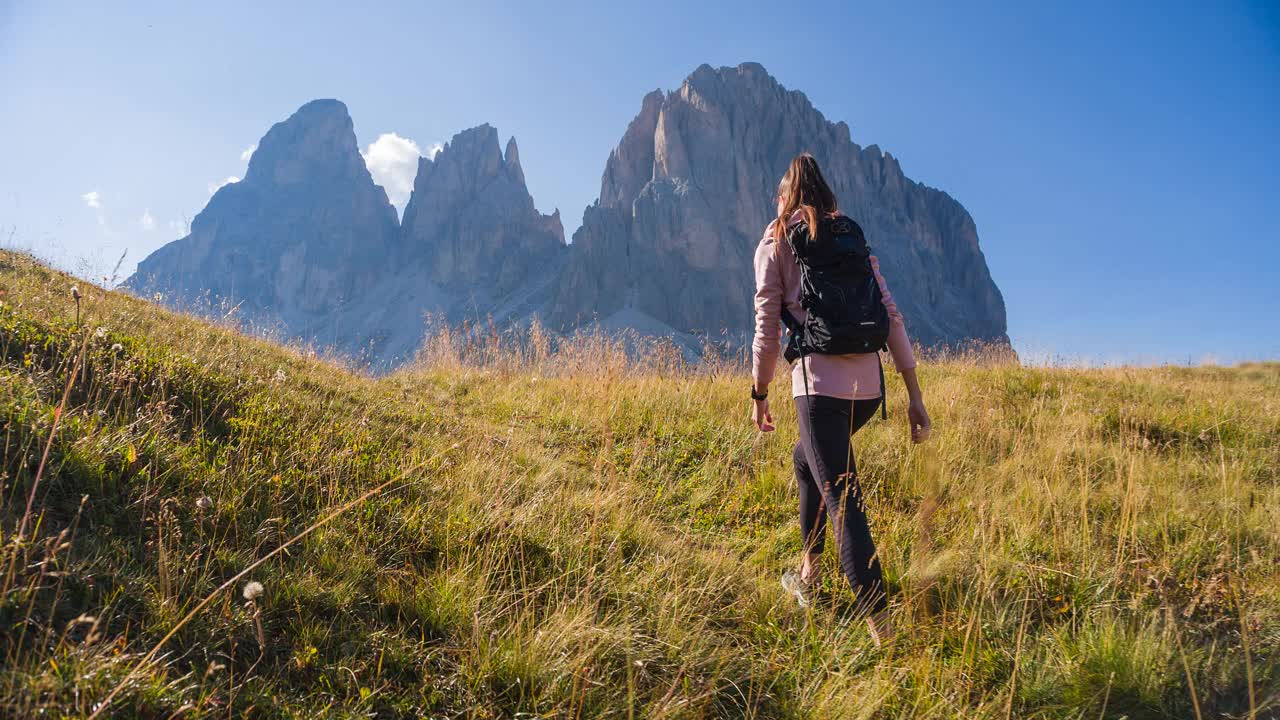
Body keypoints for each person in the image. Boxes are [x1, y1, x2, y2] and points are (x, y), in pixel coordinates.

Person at [750, 153, 931, 645]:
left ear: (786, 197)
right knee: (806, 459)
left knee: (844, 501)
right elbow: (890, 314)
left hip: (818, 390)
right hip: (870, 390)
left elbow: (767, 330)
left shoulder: (776, 242)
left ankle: (884, 635)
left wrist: (760, 392)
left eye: (778, 194)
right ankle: (809, 572)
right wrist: (914, 396)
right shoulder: (851, 237)